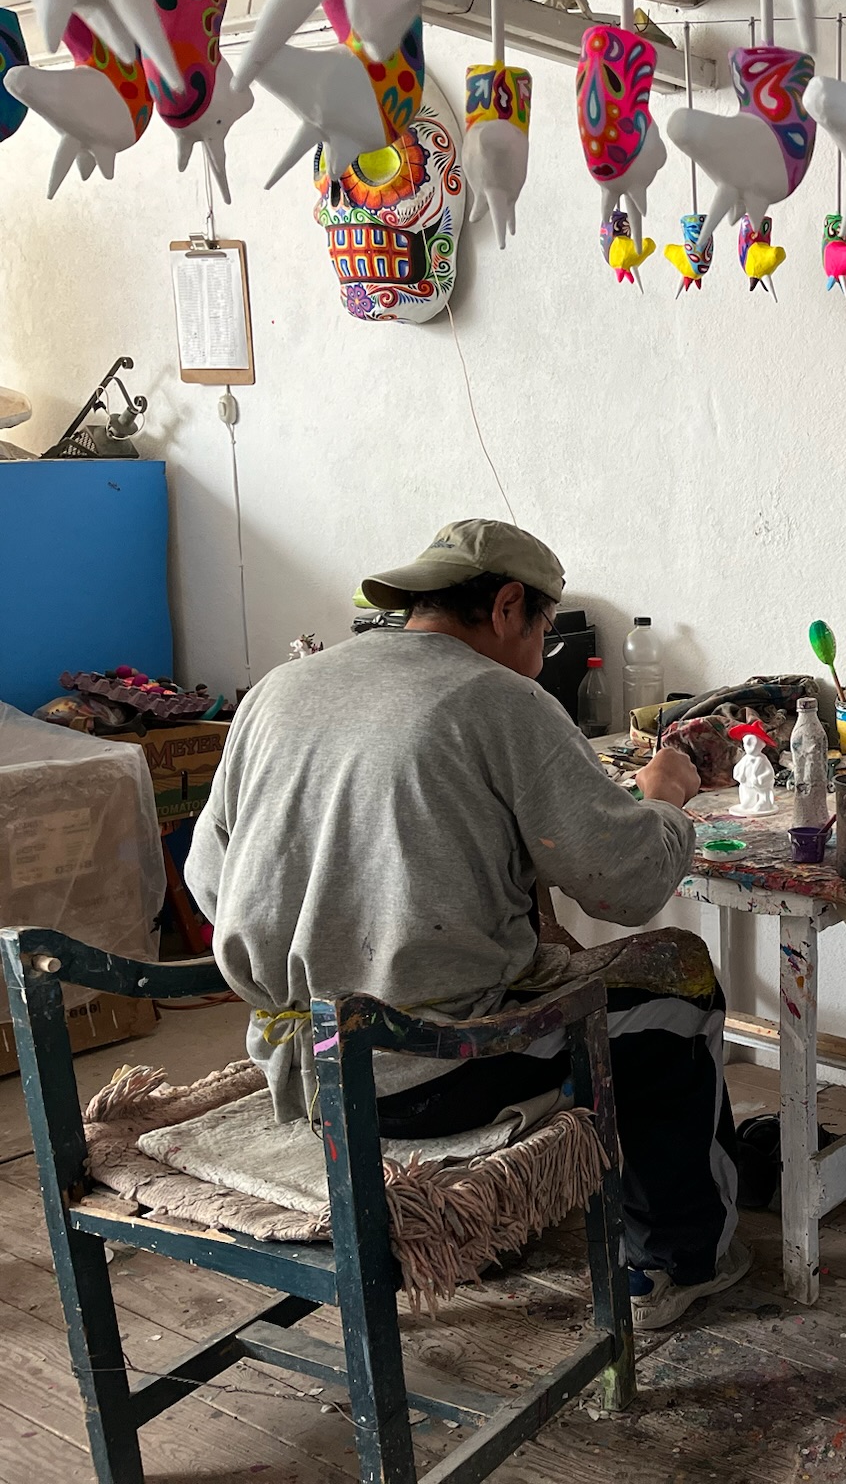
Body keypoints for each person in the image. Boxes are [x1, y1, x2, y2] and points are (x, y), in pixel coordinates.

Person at [187, 519, 744, 1331]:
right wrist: (664, 794)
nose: (541, 654)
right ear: (510, 605)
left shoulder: (281, 688)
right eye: (544, 632)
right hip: (427, 1078)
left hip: (301, 1066)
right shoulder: (503, 700)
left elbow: (210, 882)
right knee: (679, 985)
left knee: (558, 970)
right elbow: (627, 885)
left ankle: (602, 1199)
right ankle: (680, 1260)